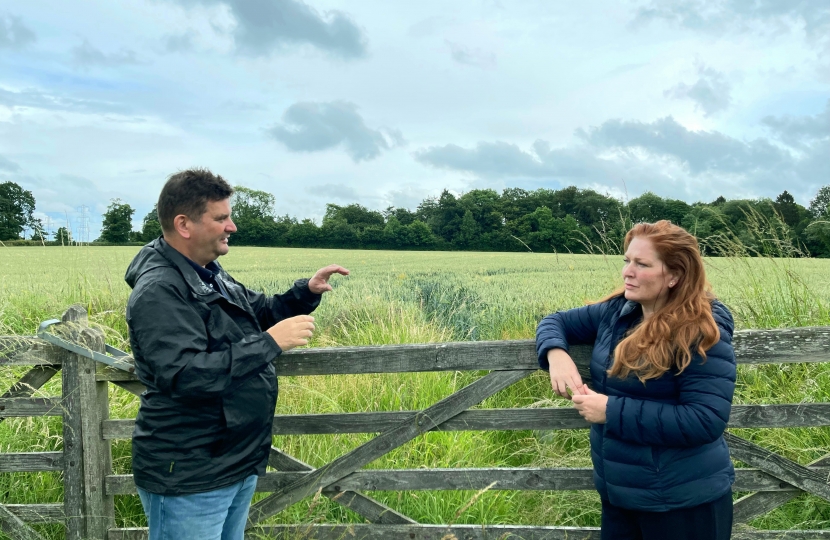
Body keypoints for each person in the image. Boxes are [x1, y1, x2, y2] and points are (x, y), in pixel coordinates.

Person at [124, 168, 349, 540]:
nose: (233, 227)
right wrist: (270, 343)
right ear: (184, 224)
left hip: (231, 459)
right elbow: (184, 375)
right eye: (221, 217)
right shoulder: (159, 291)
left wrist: (306, 292)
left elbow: (257, 311)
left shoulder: (207, 272)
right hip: (190, 471)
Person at [536, 220, 736, 540]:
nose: (627, 271)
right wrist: (555, 355)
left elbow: (705, 419)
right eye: (627, 260)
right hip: (622, 497)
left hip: (681, 504)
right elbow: (555, 320)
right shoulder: (619, 311)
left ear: (674, 276)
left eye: (642, 264)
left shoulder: (699, 329)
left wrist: (611, 411)